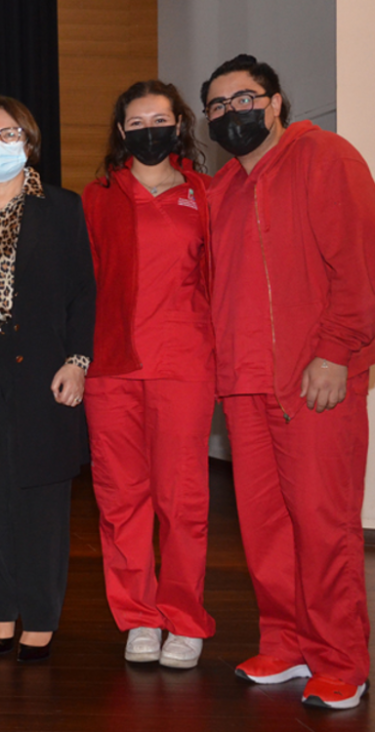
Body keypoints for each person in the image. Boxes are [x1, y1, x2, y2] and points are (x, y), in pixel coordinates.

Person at [201, 54, 375, 709]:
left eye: (242, 99)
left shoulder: (327, 159)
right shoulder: (222, 189)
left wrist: (335, 352)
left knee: (323, 526)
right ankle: (288, 642)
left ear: (274, 102)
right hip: (244, 389)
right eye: (216, 107)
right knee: (266, 527)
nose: (230, 114)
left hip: (313, 384)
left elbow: (359, 269)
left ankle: (339, 661)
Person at [0, 96, 95, 663]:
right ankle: (1, 607)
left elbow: (83, 292)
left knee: (39, 499)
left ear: (29, 142)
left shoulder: (62, 208)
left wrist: (78, 360)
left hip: (41, 366)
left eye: (9, 134)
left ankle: (42, 613)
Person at [81, 81, 215, 669]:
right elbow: (80, 287)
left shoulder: (205, 194)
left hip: (185, 366)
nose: (149, 129)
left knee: (182, 500)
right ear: (121, 132)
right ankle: (138, 615)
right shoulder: (96, 196)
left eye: (160, 118)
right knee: (120, 499)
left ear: (180, 124)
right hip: (112, 370)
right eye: (137, 121)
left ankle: (185, 619)